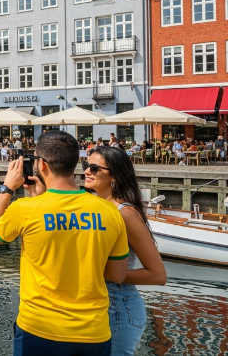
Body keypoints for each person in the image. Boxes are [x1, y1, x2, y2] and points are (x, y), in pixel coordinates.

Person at [0, 130, 129, 356]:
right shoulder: (110, 212)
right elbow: (117, 275)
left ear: (41, 164)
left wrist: (7, 189)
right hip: (93, 332)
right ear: (76, 164)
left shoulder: (26, 210)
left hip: (39, 329)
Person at [84, 147, 166, 355]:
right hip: (96, 303)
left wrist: (106, 274)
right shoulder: (93, 207)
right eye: (86, 166)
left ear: (114, 176)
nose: (87, 171)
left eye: (94, 168)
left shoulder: (125, 213)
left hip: (118, 305)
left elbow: (158, 275)